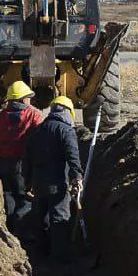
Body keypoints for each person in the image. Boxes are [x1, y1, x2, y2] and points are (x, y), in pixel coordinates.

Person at [25, 95, 83, 258]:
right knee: (59, 219)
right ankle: (59, 257)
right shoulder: (66, 131)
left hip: (38, 183)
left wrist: (28, 182)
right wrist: (77, 176)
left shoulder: (37, 130)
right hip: (57, 183)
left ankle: (41, 254)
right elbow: (73, 156)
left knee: (40, 218)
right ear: (68, 113)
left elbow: (27, 158)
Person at [0, 81, 43, 228]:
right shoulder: (33, 115)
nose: (30, 100)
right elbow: (39, 140)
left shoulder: (0, 117)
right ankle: (22, 227)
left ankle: (10, 226)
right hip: (22, 164)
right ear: (23, 99)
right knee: (24, 196)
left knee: (8, 194)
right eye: (28, 97)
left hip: (2, 162)